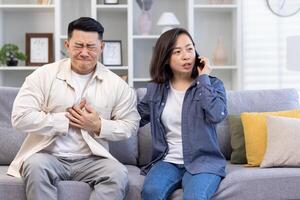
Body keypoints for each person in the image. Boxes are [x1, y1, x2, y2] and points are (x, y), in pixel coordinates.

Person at [7, 17, 140, 200]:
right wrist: (64, 120)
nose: (84, 52)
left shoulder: (117, 85)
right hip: (48, 156)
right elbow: (20, 117)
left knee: (117, 173)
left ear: (101, 47)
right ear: (67, 45)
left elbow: (130, 125)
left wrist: (98, 125)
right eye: (78, 45)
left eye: (91, 47)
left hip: (92, 159)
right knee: (34, 166)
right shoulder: (43, 75)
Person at [138, 28, 227, 200]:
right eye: (177, 52)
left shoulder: (212, 84)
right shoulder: (155, 90)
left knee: (195, 197)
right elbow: (135, 118)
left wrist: (203, 79)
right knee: (151, 192)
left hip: (203, 162)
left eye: (189, 49)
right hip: (167, 161)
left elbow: (217, 115)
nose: (186, 56)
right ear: (165, 58)